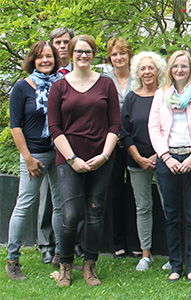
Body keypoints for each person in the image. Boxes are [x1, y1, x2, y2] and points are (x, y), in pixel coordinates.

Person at [48, 34, 121, 287]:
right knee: (70, 214)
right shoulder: (59, 87)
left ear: (93, 54)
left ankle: (90, 266)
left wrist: (104, 155)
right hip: (69, 159)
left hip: (101, 158)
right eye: (78, 51)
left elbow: (114, 124)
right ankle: (66, 266)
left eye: (88, 51)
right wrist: (72, 159)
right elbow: (55, 128)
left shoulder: (106, 84)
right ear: (70, 53)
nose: (83, 55)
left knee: (95, 212)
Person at [148, 50, 191, 283]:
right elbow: (154, 128)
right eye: (175, 66)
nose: (179, 70)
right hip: (168, 160)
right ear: (170, 69)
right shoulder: (161, 94)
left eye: (184, 66)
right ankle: (176, 264)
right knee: (172, 215)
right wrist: (166, 157)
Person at [5, 41, 62, 281]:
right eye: (40, 57)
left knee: (60, 205)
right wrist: (27, 158)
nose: (45, 60)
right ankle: (12, 260)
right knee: (25, 204)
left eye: (49, 56)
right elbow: (15, 126)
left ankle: (62, 257)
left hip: (59, 152)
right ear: (33, 60)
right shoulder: (21, 87)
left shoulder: (61, 84)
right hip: (33, 155)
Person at [120, 51, 167, 271]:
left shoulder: (167, 95)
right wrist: (138, 158)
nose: (147, 72)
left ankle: (173, 254)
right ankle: (146, 254)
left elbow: (172, 128)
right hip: (137, 160)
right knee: (143, 207)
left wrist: (159, 155)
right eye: (142, 68)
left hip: (165, 158)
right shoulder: (131, 97)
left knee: (170, 206)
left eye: (151, 68)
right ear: (137, 73)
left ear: (158, 70)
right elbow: (124, 131)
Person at [37, 27, 75, 265]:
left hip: (71, 143)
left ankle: (70, 243)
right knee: (46, 197)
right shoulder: (43, 74)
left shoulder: (78, 71)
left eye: (66, 42)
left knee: (68, 196)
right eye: (57, 42)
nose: (62, 46)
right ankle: (46, 244)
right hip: (44, 143)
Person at [104, 37, 139, 259]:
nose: (119, 58)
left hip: (136, 142)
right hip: (112, 142)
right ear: (110, 58)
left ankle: (137, 242)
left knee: (137, 193)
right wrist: (113, 135)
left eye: (122, 53)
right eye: (115, 54)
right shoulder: (104, 79)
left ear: (129, 55)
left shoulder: (139, 77)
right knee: (115, 191)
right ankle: (117, 242)